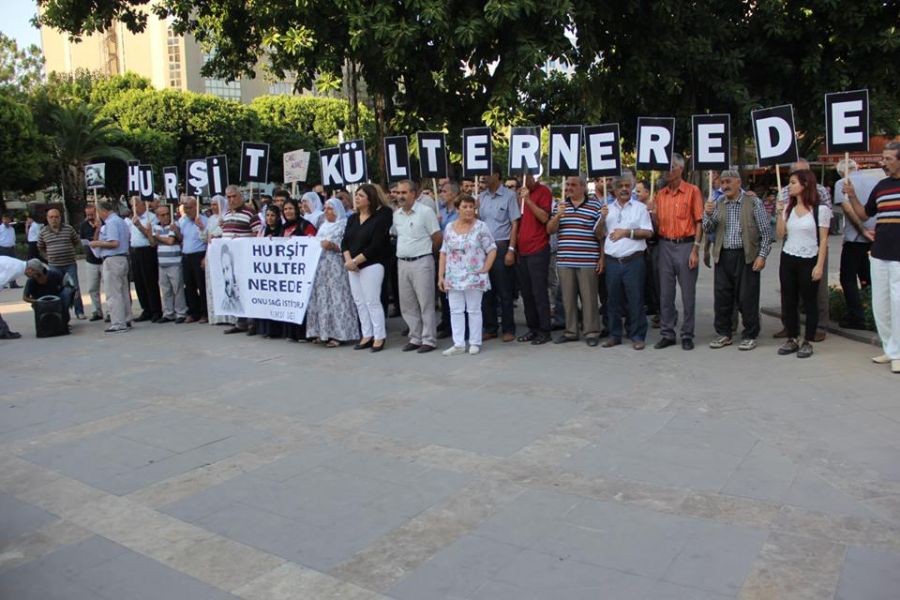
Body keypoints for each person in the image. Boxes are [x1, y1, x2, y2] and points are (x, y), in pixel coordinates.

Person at [843, 141, 900, 373]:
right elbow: (865, 214)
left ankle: (898, 352)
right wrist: (853, 196)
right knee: (881, 303)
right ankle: (890, 349)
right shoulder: (881, 186)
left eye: (888, 158)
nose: (883, 162)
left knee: (898, 304)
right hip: (879, 252)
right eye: (883, 158)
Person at [702, 169, 773, 351]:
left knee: (747, 297)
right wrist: (707, 213)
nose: (724, 186)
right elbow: (708, 229)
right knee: (722, 296)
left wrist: (762, 256)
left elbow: (766, 233)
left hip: (747, 256)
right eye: (722, 182)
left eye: (728, 182)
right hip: (724, 255)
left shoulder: (753, 202)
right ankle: (724, 333)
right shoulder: (718, 202)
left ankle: (750, 334)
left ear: (738, 182)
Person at [775, 169, 831, 358]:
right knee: (789, 299)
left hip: (809, 257)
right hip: (789, 256)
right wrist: (779, 213)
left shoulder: (820, 210)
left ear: (805, 184)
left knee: (809, 301)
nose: (789, 187)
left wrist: (819, 265)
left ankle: (808, 339)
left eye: (793, 183)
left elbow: (823, 240)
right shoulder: (788, 208)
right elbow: (781, 234)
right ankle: (792, 337)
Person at [547, 175, 605, 346]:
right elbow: (549, 230)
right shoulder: (560, 205)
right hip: (565, 260)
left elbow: (601, 235)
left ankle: (592, 331)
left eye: (573, 185)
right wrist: (558, 216)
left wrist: (602, 258)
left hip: (588, 259)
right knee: (568, 299)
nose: (569, 188)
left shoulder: (595, 205)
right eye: (567, 185)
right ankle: (571, 331)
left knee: (589, 298)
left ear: (582, 187)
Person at [654, 153, 704, 350]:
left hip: (686, 245)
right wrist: (653, 214)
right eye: (666, 167)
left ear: (681, 169)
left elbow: (699, 221)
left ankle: (687, 334)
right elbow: (657, 226)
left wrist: (696, 249)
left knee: (688, 294)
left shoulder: (693, 191)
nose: (668, 171)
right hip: (665, 245)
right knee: (665, 294)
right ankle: (667, 332)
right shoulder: (659, 195)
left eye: (672, 167)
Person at [599, 174, 654, 350]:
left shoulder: (640, 208)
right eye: (620, 186)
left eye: (627, 185)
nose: (624, 188)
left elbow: (648, 233)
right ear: (614, 190)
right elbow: (599, 234)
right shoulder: (607, 208)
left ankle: (637, 335)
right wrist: (601, 218)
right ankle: (614, 335)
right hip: (613, 261)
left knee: (635, 299)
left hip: (634, 261)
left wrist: (627, 233)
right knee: (612, 300)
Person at [438, 194, 497, 355]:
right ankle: (458, 344)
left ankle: (474, 342)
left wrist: (486, 268)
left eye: (471, 207)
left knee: (474, 309)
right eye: (465, 207)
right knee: (455, 310)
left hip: (474, 275)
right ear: (458, 209)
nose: (469, 210)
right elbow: (444, 252)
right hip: (453, 275)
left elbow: (492, 249)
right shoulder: (449, 227)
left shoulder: (481, 226)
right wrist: (441, 276)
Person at [342, 183, 393, 352]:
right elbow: (345, 242)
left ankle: (379, 336)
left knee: (372, 301)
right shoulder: (352, 218)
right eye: (356, 195)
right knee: (359, 302)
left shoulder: (381, 216)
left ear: (370, 199)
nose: (357, 198)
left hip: (372, 264)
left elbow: (376, 245)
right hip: (353, 265)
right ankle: (367, 334)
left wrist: (356, 261)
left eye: (361, 195)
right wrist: (349, 261)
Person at [393, 180, 442, 353]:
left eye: (404, 193)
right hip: (403, 262)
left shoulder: (426, 212)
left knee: (426, 302)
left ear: (413, 194)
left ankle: (429, 339)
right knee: (407, 303)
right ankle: (415, 337)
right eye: (398, 193)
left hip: (422, 261)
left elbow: (437, 237)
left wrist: (428, 253)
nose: (400, 196)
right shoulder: (397, 214)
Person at [306, 198, 359, 346]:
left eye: (330, 208)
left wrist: (334, 247)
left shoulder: (343, 225)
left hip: (336, 266)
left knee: (337, 298)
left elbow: (348, 246)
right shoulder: (323, 226)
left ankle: (340, 334)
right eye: (325, 208)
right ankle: (322, 332)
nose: (327, 211)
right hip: (321, 268)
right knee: (322, 299)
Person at [478, 161, 521, 341]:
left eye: (487, 173)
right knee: (486, 290)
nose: (484, 177)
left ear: (497, 174)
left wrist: (511, 249)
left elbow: (514, 223)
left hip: (502, 245)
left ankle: (508, 328)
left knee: (504, 290)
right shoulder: (481, 197)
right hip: (483, 248)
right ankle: (490, 327)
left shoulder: (509, 196)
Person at [833, 158, 877, 330]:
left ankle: (856, 316)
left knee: (848, 277)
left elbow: (848, 209)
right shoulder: (874, 181)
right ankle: (871, 308)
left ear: (841, 172)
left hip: (855, 237)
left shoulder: (842, 183)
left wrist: (861, 230)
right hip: (876, 233)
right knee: (866, 273)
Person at [515, 174, 553, 345]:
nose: (522, 179)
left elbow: (544, 218)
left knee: (539, 292)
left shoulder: (543, 191)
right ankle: (533, 328)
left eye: (524, 176)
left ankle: (545, 330)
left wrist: (528, 200)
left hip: (538, 249)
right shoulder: (519, 194)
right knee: (527, 293)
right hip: (522, 251)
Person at [221, 185, 261, 334]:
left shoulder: (250, 213)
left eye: (234, 196)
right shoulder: (226, 214)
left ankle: (252, 323)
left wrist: (242, 239)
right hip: (230, 261)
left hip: (245, 259)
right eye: (229, 197)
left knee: (246, 290)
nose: (231, 200)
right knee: (234, 289)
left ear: (241, 196)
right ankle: (240, 321)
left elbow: (258, 233)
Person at [89, 201, 132, 333]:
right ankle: (126, 318)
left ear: (103, 211)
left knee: (113, 293)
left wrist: (97, 243)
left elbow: (114, 243)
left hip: (113, 258)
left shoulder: (112, 223)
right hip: (122, 258)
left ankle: (118, 322)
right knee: (123, 290)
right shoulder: (121, 221)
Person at [37, 208, 85, 319]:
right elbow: (40, 247)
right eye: (51, 217)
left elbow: (76, 242)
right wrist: (47, 257)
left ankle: (79, 311)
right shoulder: (43, 231)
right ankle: (61, 313)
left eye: (56, 217)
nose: (54, 219)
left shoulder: (68, 229)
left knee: (75, 287)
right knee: (56, 288)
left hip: (70, 264)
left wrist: (69, 251)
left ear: (60, 218)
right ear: (47, 219)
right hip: (54, 265)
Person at [128, 197, 162, 323]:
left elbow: (149, 235)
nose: (134, 208)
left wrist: (139, 226)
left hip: (147, 250)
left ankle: (155, 310)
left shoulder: (151, 217)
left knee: (150, 280)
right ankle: (145, 308)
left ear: (143, 205)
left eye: (136, 205)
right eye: (132, 206)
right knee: (139, 282)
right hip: (135, 251)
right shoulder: (133, 218)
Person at [152, 205, 188, 323]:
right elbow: (152, 243)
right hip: (162, 262)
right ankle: (168, 313)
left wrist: (157, 237)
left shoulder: (174, 225)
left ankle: (181, 312)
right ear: (157, 216)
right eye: (163, 215)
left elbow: (170, 241)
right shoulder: (155, 226)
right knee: (166, 289)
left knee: (177, 289)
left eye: (168, 214)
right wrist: (148, 232)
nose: (166, 216)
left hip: (174, 262)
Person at [203, 194, 234, 326]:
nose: (213, 207)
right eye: (212, 204)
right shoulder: (210, 219)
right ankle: (217, 315)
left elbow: (223, 232)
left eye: (216, 204)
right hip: (211, 252)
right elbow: (205, 236)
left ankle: (231, 316)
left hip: (224, 254)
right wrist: (201, 228)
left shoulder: (227, 216)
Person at [178, 196, 208, 324]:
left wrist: (205, 257)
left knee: (201, 285)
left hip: (199, 255)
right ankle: (193, 312)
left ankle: (204, 313)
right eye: (186, 208)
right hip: (186, 256)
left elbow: (208, 239)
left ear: (196, 207)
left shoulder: (204, 220)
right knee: (189, 286)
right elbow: (182, 238)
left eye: (190, 208)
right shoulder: (183, 221)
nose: (188, 210)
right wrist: (176, 232)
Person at [635, 179, 660, 327]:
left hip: (655, 246)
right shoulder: (636, 207)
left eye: (638, 191)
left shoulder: (654, 206)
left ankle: (661, 311)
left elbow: (656, 229)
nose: (635, 194)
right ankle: (650, 305)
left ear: (647, 192)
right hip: (641, 248)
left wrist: (653, 213)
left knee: (657, 280)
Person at [23, 259, 74, 324]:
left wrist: (72, 292)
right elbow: (25, 297)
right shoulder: (31, 281)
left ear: (36, 270)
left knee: (67, 292)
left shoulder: (54, 274)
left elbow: (66, 286)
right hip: (40, 303)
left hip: (56, 300)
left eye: (29, 269)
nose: (27, 271)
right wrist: (37, 301)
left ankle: (64, 319)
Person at [79, 205, 104, 320]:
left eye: (92, 215)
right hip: (91, 260)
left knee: (108, 287)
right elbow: (85, 242)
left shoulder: (104, 223)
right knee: (92, 287)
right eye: (87, 215)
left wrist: (98, 228)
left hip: (103, 259)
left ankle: (110, 311)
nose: (89, 217)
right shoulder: (83, 226)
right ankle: (96, 311)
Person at [0, 255, 25, 338]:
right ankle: (3, 331)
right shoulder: (17, 269)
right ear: (31, 270)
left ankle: (3, 330)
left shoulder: (18, 264)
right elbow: (1, 281)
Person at [0, 213, 21, 288]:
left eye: (7, 219)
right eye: (4, 219)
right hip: (2, 249)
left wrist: (14, 246)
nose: (6, 221)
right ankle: (2, 283)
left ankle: (13, 283)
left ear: (9, 220)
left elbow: (13, 238)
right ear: (2, 220)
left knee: (13, 266)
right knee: (3, 267)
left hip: (11, 249)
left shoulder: (12, 229)